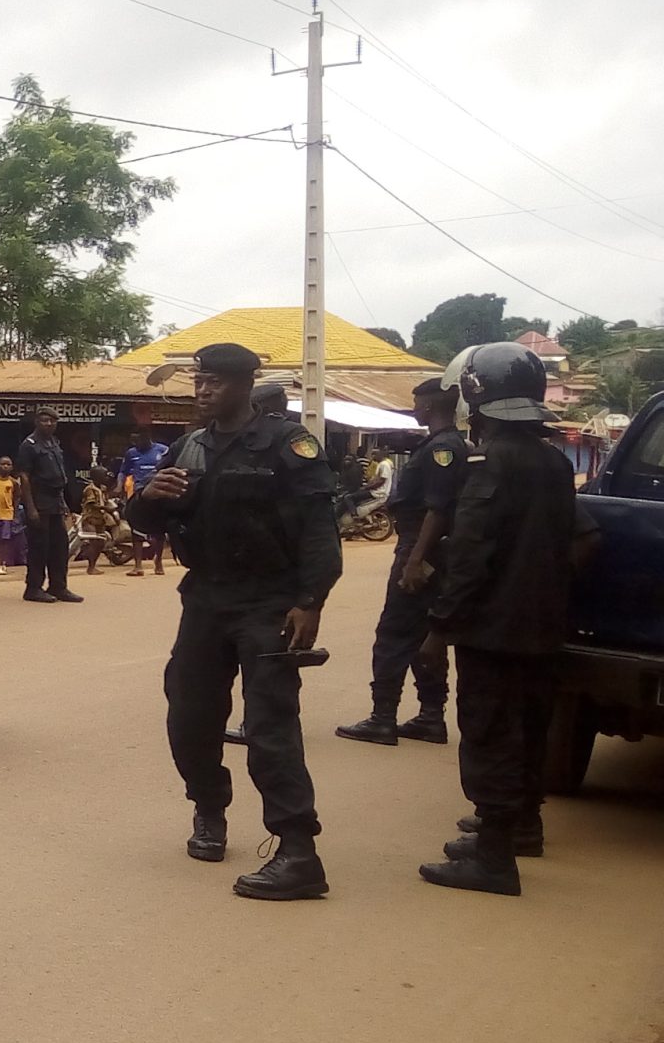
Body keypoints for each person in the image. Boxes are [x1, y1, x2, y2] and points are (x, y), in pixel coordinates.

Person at [126, 340, 342, 897]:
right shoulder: (189, 447)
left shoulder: (287, 445)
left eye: (215, 382)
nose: (203, 390)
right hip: (206, 598)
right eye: (199, 381)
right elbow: (146, 520)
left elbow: (320, 530)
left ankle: (298, 851)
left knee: (271, 726)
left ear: (246, 385)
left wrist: (311, 601)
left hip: (268, 600)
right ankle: (209, 810)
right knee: (189, 714)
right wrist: (148, 497)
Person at [416, 345, 583, 893]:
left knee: (489, 733)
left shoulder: (489, 462)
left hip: (493, 629)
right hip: (543, 626)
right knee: (530, 728)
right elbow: (582, 539)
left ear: (474, 395)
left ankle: (492, 859)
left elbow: (470, 553)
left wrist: (440, 626)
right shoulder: (555, 462)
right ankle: (521, 830)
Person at [334, 378, 468, 748]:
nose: (414, 409)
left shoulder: (442, 449)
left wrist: (415, 559)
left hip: (422, 547)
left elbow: (437, 509)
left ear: (427, 407)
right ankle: (430, 717)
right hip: (432, 549)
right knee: (425, 634)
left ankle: (383, 718)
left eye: (417, 404)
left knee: (393, 633)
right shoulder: (448, 445)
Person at [12, 410, 81, 603]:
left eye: (52, 421)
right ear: (36, 422)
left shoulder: (54, 443)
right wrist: (31, 508)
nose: (49, 424)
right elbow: (24, 477)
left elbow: (60, 476)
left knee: (60, 547)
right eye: (44, 420)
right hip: (39, 500)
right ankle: (33, 588)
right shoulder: (29, 445)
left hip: (56, 501)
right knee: (39, 548)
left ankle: (59, 587)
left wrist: (65, 503)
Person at [117, 428, 170, 576]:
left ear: (147, 437)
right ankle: (138, 565)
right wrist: (119, 485)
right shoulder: (131, 453)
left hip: (159, 493)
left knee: (160, 529)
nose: (137, 443)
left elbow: (171, 467)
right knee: (136, 529)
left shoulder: (163, 450)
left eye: (139, 439)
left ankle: (158, 561)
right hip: (139, 494)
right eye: (135, 440)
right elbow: (123, 471)